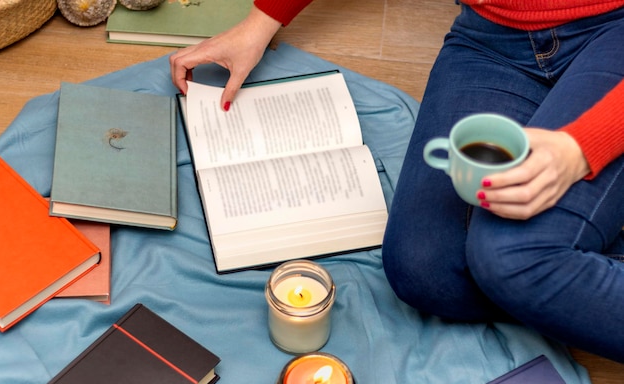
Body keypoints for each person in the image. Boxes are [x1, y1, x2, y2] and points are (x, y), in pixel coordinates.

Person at [170, 1, 624, 363]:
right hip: (492, 38)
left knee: (509, 257)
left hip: (614, 29)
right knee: (423, 272)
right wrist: (262, 20)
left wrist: (580, 147)